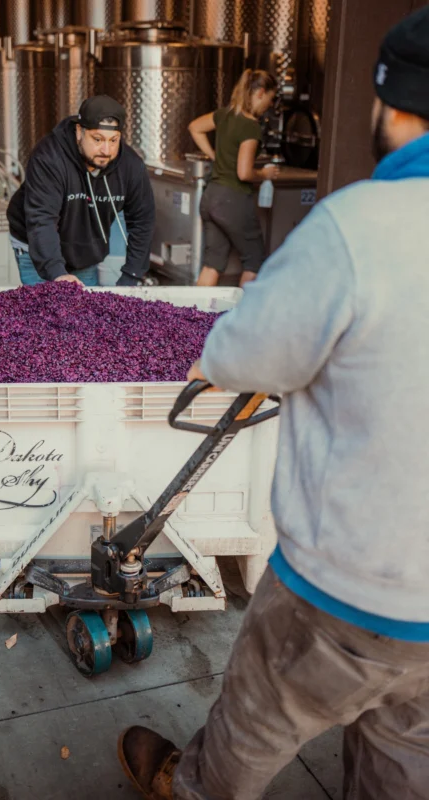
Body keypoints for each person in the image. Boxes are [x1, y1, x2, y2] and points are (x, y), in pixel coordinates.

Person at [118, 7, 429, 800]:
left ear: (391, 107)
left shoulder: (358, 226)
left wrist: (215, 356)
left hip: (350, 591)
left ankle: (189, 789)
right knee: (407, 766)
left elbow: (243, 355)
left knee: (253, 730)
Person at [6, 95, 155, 286]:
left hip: (85, 252)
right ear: (79, 132)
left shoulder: (131, 166)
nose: (106, 150)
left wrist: (132, 275)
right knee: (47, 304)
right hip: (37, 250)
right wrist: (57, 273)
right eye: (98, 139)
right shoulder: (49, 158)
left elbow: (143, 221)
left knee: (83, 305)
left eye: (113, 140)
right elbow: (42, 219)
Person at [188, 70, 278, 288]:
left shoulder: (225, 114)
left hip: (211, 197)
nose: (270, 105)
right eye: (271, 98)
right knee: (255, 261)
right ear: (260, 93)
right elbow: (244, 173)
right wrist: (264, 174)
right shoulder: (250, 127)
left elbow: (195, 127)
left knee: (212, 264)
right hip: (232, 200)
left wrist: (214, 156)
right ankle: (243, 310)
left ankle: (195, 310)